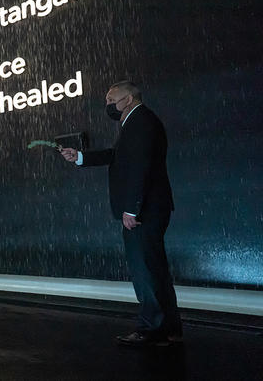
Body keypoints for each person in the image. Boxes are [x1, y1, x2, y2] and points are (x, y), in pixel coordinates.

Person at [60, 81, 180, 347]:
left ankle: (152, 329)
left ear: (128, 98)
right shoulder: (137, 122)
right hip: (150, 208)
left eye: (111, 100)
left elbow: (141, 166)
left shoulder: (141, 122)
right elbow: (119, 156)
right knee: (156, 270)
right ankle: (169, 328)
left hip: (143, 211)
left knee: (145, 271)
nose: (108, 105)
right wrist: (80, 157)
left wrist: (132, 208)